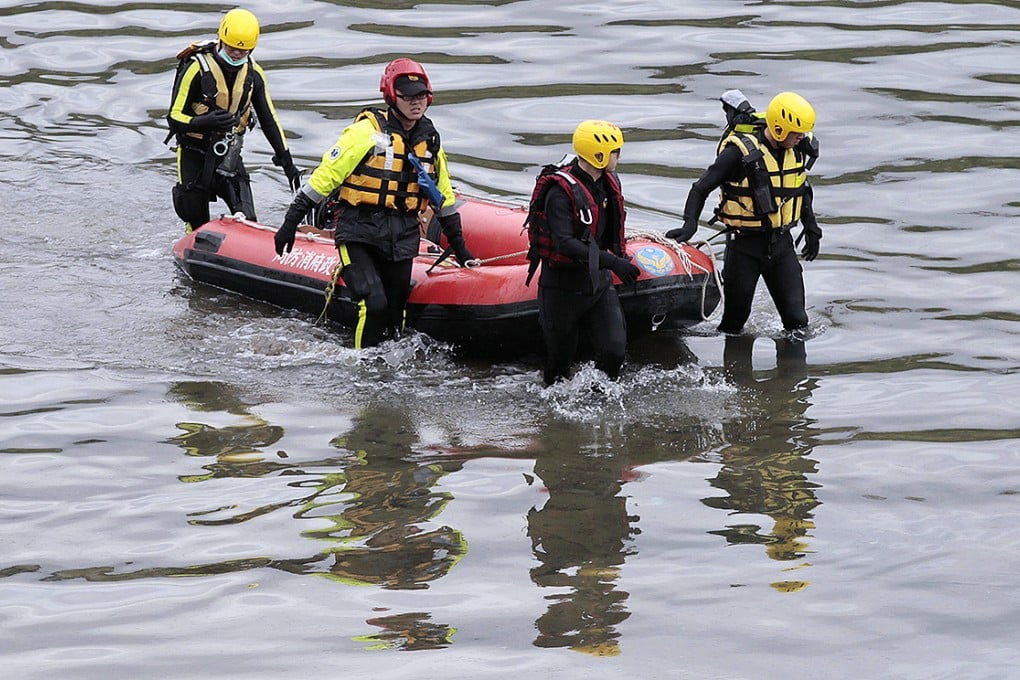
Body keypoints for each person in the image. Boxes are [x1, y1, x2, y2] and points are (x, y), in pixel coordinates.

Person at [273, 58, 474, 349]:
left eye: (421, 97)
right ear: (392, 97)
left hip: (402, 233)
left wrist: (461, 246)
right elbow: (325, 178)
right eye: (407, 97)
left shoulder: (429, 139)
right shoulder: (366, 132)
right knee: (374, 302)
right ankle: (362, 368)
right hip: (359, 231)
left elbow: (443, 196)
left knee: (396, 309)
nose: (415, 103)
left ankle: (390, 372)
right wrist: (290, 223)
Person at [667, 91, 822, 337]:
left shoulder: (799, 150)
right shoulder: (737, 154)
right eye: (796, 133)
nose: (801, 138)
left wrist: (811, 227)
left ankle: (793, 375)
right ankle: (734, 373)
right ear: (779, 129)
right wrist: (690, 225)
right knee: (734, 324)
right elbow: (700, 188)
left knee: (797, 322)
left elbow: (800, 188)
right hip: (744, 248)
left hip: (781, 246)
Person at [526, 120, 641, 386]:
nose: (619, 156)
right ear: (597, 154)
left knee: (614, 352)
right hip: (561, 288)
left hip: (597, 284)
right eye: (616, 151)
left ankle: (596, 405)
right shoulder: (559, 193)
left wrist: (616, 261)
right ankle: (558, 423)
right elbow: (565, 243)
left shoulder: (609, 182)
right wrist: (613, 262)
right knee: (558, 368)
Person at [166, 8, 301, 232]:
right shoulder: (196, 68)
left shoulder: (253, 74)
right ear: (221, 40)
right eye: (232, 48)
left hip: (228, 155)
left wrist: (288, 164)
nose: (237, 54)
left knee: (248, 219)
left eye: (243, 50)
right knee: (196, 220)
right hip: (193, 152)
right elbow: (173, 117)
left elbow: (269, 120)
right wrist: (205, 121)